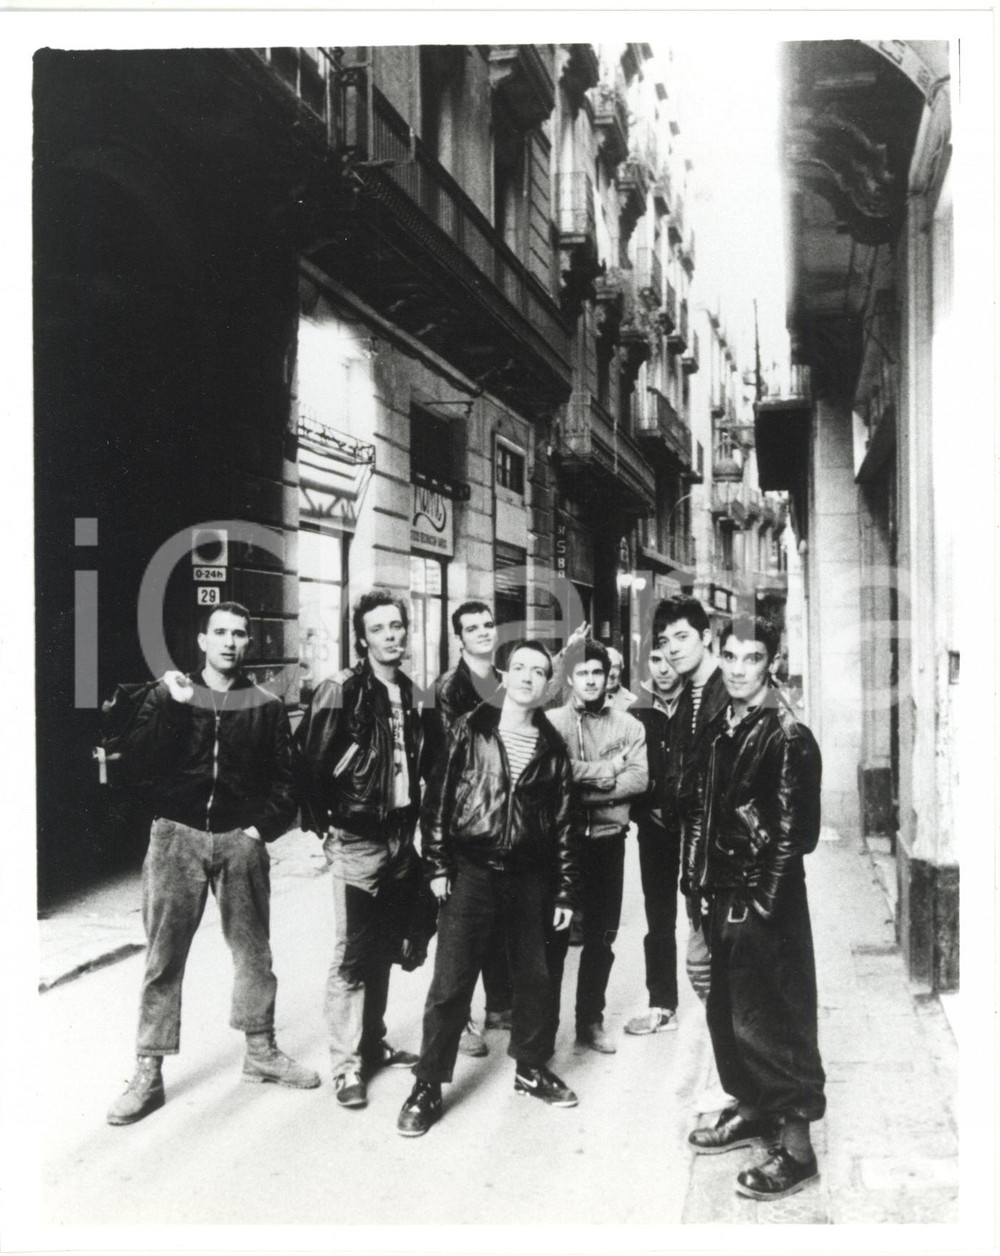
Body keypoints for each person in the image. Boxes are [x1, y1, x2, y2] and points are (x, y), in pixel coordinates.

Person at [107, 603, 319, 1126]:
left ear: (249, 643)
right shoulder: (173, 693)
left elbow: (288, 779)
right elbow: (138, 760)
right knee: (163, 958)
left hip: (238, 841)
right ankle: (148, 1071)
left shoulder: (265, 705)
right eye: (219, 632)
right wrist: (171, 705)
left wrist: (259, 830)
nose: (229, 641)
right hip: (176, 837)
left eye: (239, 634)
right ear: (202, 640)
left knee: (253, 953)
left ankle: (261, 1051)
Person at [396, 641, 581, 1136]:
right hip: (471, 871)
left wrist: (565, 890)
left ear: (548, 684)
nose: (527, 677)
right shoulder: (470, 728)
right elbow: (437, 800)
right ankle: (427, 1085)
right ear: (504, 675)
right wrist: (437, 864)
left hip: (529, 877)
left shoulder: (552, 746)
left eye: (538, 671)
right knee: (451, 983)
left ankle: (531, 1069)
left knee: (536, 979)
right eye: (518, 667)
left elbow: (564, 824)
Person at [685, 615, 825, 1202]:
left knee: (771, 1018)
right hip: (719, 891)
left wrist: (760, 910)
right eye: (732, 657)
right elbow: (701, 808)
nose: (740, 670)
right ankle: (751, 1108)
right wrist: (694, 887)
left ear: (772, 662)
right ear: (719, 657)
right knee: (725, 1010)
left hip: (761, 900)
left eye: (753, 658)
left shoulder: (787, 734)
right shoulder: (722, 723)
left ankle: (796, 1149)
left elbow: (797, 837)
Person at [295, 590, 424, 1110]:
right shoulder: (342, 689)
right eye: (378, 629)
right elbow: (308, 763)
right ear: (363, 639)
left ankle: (372, 1043)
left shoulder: (410, 692)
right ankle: (347, 1066)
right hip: (357, 839)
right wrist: (327, 826)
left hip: (399, 837)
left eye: (396, 626)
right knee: (351, 953)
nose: (390, 636)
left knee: (385, 946)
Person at [545, 640, 647, 1054]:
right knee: (554, 938)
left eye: (597, 673)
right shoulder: (550, 724)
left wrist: (577, 789)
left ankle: (590, 1019)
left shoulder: (629, 726)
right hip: (561, 846)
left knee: (601, 938)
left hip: (608, 843)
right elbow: (551, 776)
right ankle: (544, 1028)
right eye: (582, 673)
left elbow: (638, 779)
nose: (590, 680)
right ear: (570, 678)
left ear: (608, 678)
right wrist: (607, 772)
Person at [423, 600, 513, 1059]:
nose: (482, 632)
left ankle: (500, 1006)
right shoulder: (447, 688)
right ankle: (459, 1024)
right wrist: (439, 852)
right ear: (458, 638)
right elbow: (445, 767)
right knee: (459, 933)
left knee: (497, 920)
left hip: (503, 818)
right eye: (471, 627)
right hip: (464, 824)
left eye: (487, 625)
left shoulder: (504, 679)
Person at [623, 641, 685, 1036]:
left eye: (670, 659)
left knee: (707, 916)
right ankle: (663, 1005)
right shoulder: (637, 712)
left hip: (698, 828)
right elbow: (628, 771)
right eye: (655, 660)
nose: (663, 668)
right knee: (659, 918)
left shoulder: (701, 705)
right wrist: (646, 811)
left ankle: (727, 1004)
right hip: (655, 829)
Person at [605, 645, 637, 711]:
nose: (610, 673)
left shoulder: (633, 702)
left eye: (615, 667)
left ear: (621, 670)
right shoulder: (587, 699)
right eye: (606, 667)